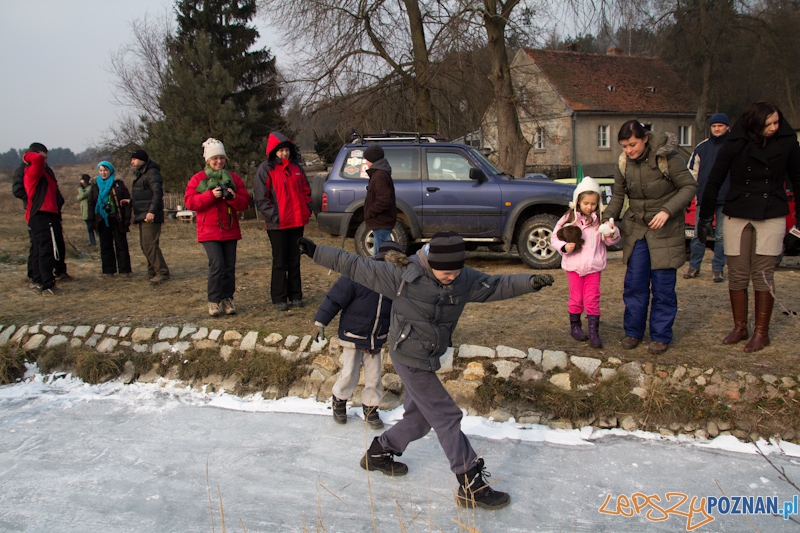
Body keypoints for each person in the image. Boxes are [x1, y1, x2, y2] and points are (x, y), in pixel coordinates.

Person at [297, 231, 554, 511]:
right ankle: (471, 484)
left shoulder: (463, 279)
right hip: (408, 356)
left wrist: (530, 282)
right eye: (446, 272)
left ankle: (379, 453)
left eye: (456, 271)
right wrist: (314, 251)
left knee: (420, 420)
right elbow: (354, 265)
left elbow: (495, 285)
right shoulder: (403, 275)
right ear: (431, 263)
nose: (452, 277)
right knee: (446, 415)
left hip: (430, 354)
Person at [698, 101, 800, 352]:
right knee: (738, 272)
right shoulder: (735, 141)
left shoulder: (787, 141)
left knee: (763, 273)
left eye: (777, 122)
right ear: (754, 124)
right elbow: (714, 179)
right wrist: (705, 217)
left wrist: (799, 226)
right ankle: (740, 327)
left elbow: (798, 181)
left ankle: (761, 333)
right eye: (768, 124)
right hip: (737, 210)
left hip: (771, 210)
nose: (774, 127)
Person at [603, 120, 697, 354]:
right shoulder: (623, 163)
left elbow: (689, 186)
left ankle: (660, 336)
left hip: (665, 230)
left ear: (645, 138)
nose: (629, 150)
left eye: (632, 144)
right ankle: (633, 332)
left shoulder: (668, 157)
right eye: (624, 146)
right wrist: (608, 218)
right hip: (637, 230)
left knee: (663, 287)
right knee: (634, 284)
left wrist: (667, 211)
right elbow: (618, 195)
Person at [312, 241, 403, 428]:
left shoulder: (396, 284)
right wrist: (320, 322)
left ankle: (371, 408)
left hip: (376, 338)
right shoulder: (358, 275)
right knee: (350, 374)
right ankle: (339, 401)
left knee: (374, 377)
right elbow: (334, 298)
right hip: (353, 334)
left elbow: (403, 310)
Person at [184, 138, 251, 316]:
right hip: (209, 230)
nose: (219, 161)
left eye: (221, 158)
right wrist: (210, 195)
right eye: (215, 158)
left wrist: (233, 197)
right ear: (208, 160)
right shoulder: (198, 179)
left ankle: (227, 298)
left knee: (229, 267)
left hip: (230, 229)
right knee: (217, 265)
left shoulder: (233, 179)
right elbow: (190, 202)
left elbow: (244, 202)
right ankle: (214, 300)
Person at [551, 177, 621, 349]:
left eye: (593, 203)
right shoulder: (568, 219)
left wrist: (612, 233)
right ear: (578, 201)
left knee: (592, 298)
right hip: (574, 267)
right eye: (586, 203)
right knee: (576, 298)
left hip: (593, 267)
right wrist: (564, 247)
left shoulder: (601, 220)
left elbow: (610, 241)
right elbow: (555, 237)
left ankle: (593, 332)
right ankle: (575, 326)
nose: (589, 207)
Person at [254, 132, 312, 311]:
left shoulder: (296, 168)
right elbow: (261, 197)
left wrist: (307, 209)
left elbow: (306, 191)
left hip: (297, 222)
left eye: (286, 150)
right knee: (280, 261)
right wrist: (275, 216)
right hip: (277, 224)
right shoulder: (266, 169)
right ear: (274, 152)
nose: (284, 153)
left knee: (295, 260)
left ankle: (296, 295)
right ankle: (279, 297)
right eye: (281, 151)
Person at [13, 142, 71, 286]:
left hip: (51, 212)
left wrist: (58, 202)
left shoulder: (46, 170)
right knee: (40, 247)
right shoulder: (28, 170)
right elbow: (18, 190)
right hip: (38, 212)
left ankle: (55, 272)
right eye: (43, 157)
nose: (45, 160)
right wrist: (33, 200)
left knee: (53, 245)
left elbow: (53, 188)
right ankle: (40, 279)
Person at [685, 113, 731, 282]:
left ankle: (718, 269)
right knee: (698, 234)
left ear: (727, 127)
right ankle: (694, 267)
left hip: (726, 198)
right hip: (704, 198)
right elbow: (692, 173)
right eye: (714, 126)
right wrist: (690, 194)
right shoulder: (701, 147)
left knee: (721, 236)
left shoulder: (734, 146)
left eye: (720, 126)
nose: (717, 129)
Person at [131, 149, 170, 284]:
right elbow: (144, 195)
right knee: (145, 245)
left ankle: (162, 272)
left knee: (150, 245)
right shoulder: (142, 174)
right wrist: (130, 201)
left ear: (142, 159)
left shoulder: (152, 173)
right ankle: (152, 271)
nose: (132, 162)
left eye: (134, 159)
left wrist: (152, 211)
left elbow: (157, 193)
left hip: (150, 214)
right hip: (143, 214)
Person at [88, 162, 132, 277]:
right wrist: (91, 221)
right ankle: (108, 270)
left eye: (105, 170)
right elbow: (91, 204)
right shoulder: (95, 186)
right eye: (101, 170)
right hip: (102, 220)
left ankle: (124, 270)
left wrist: (127, 219)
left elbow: (127, 202)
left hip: (117, 219)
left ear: (110, 171)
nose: (103, 173)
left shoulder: (118, 184)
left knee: (121, 245)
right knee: (105, 246)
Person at [362, 144, 397, 256]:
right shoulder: (379, 174)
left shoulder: (379, 176)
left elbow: (384, 200)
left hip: (381, 222)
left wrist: (370, 212)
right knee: (380, 255)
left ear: (372, 160)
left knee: (382, 256)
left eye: (367, 159)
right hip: (380, 222)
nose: (365, 162)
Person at [77, 174, 96, 246]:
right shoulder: (85, 189)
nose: (80, 182)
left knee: (93, 227)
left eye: (81, 180)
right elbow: (78, 198)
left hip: (89, 212)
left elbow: (82, 195)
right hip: (85, 212)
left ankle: (100, 241)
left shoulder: (90, 188)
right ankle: (92, 241)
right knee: (89, 229)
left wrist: (80, 188)